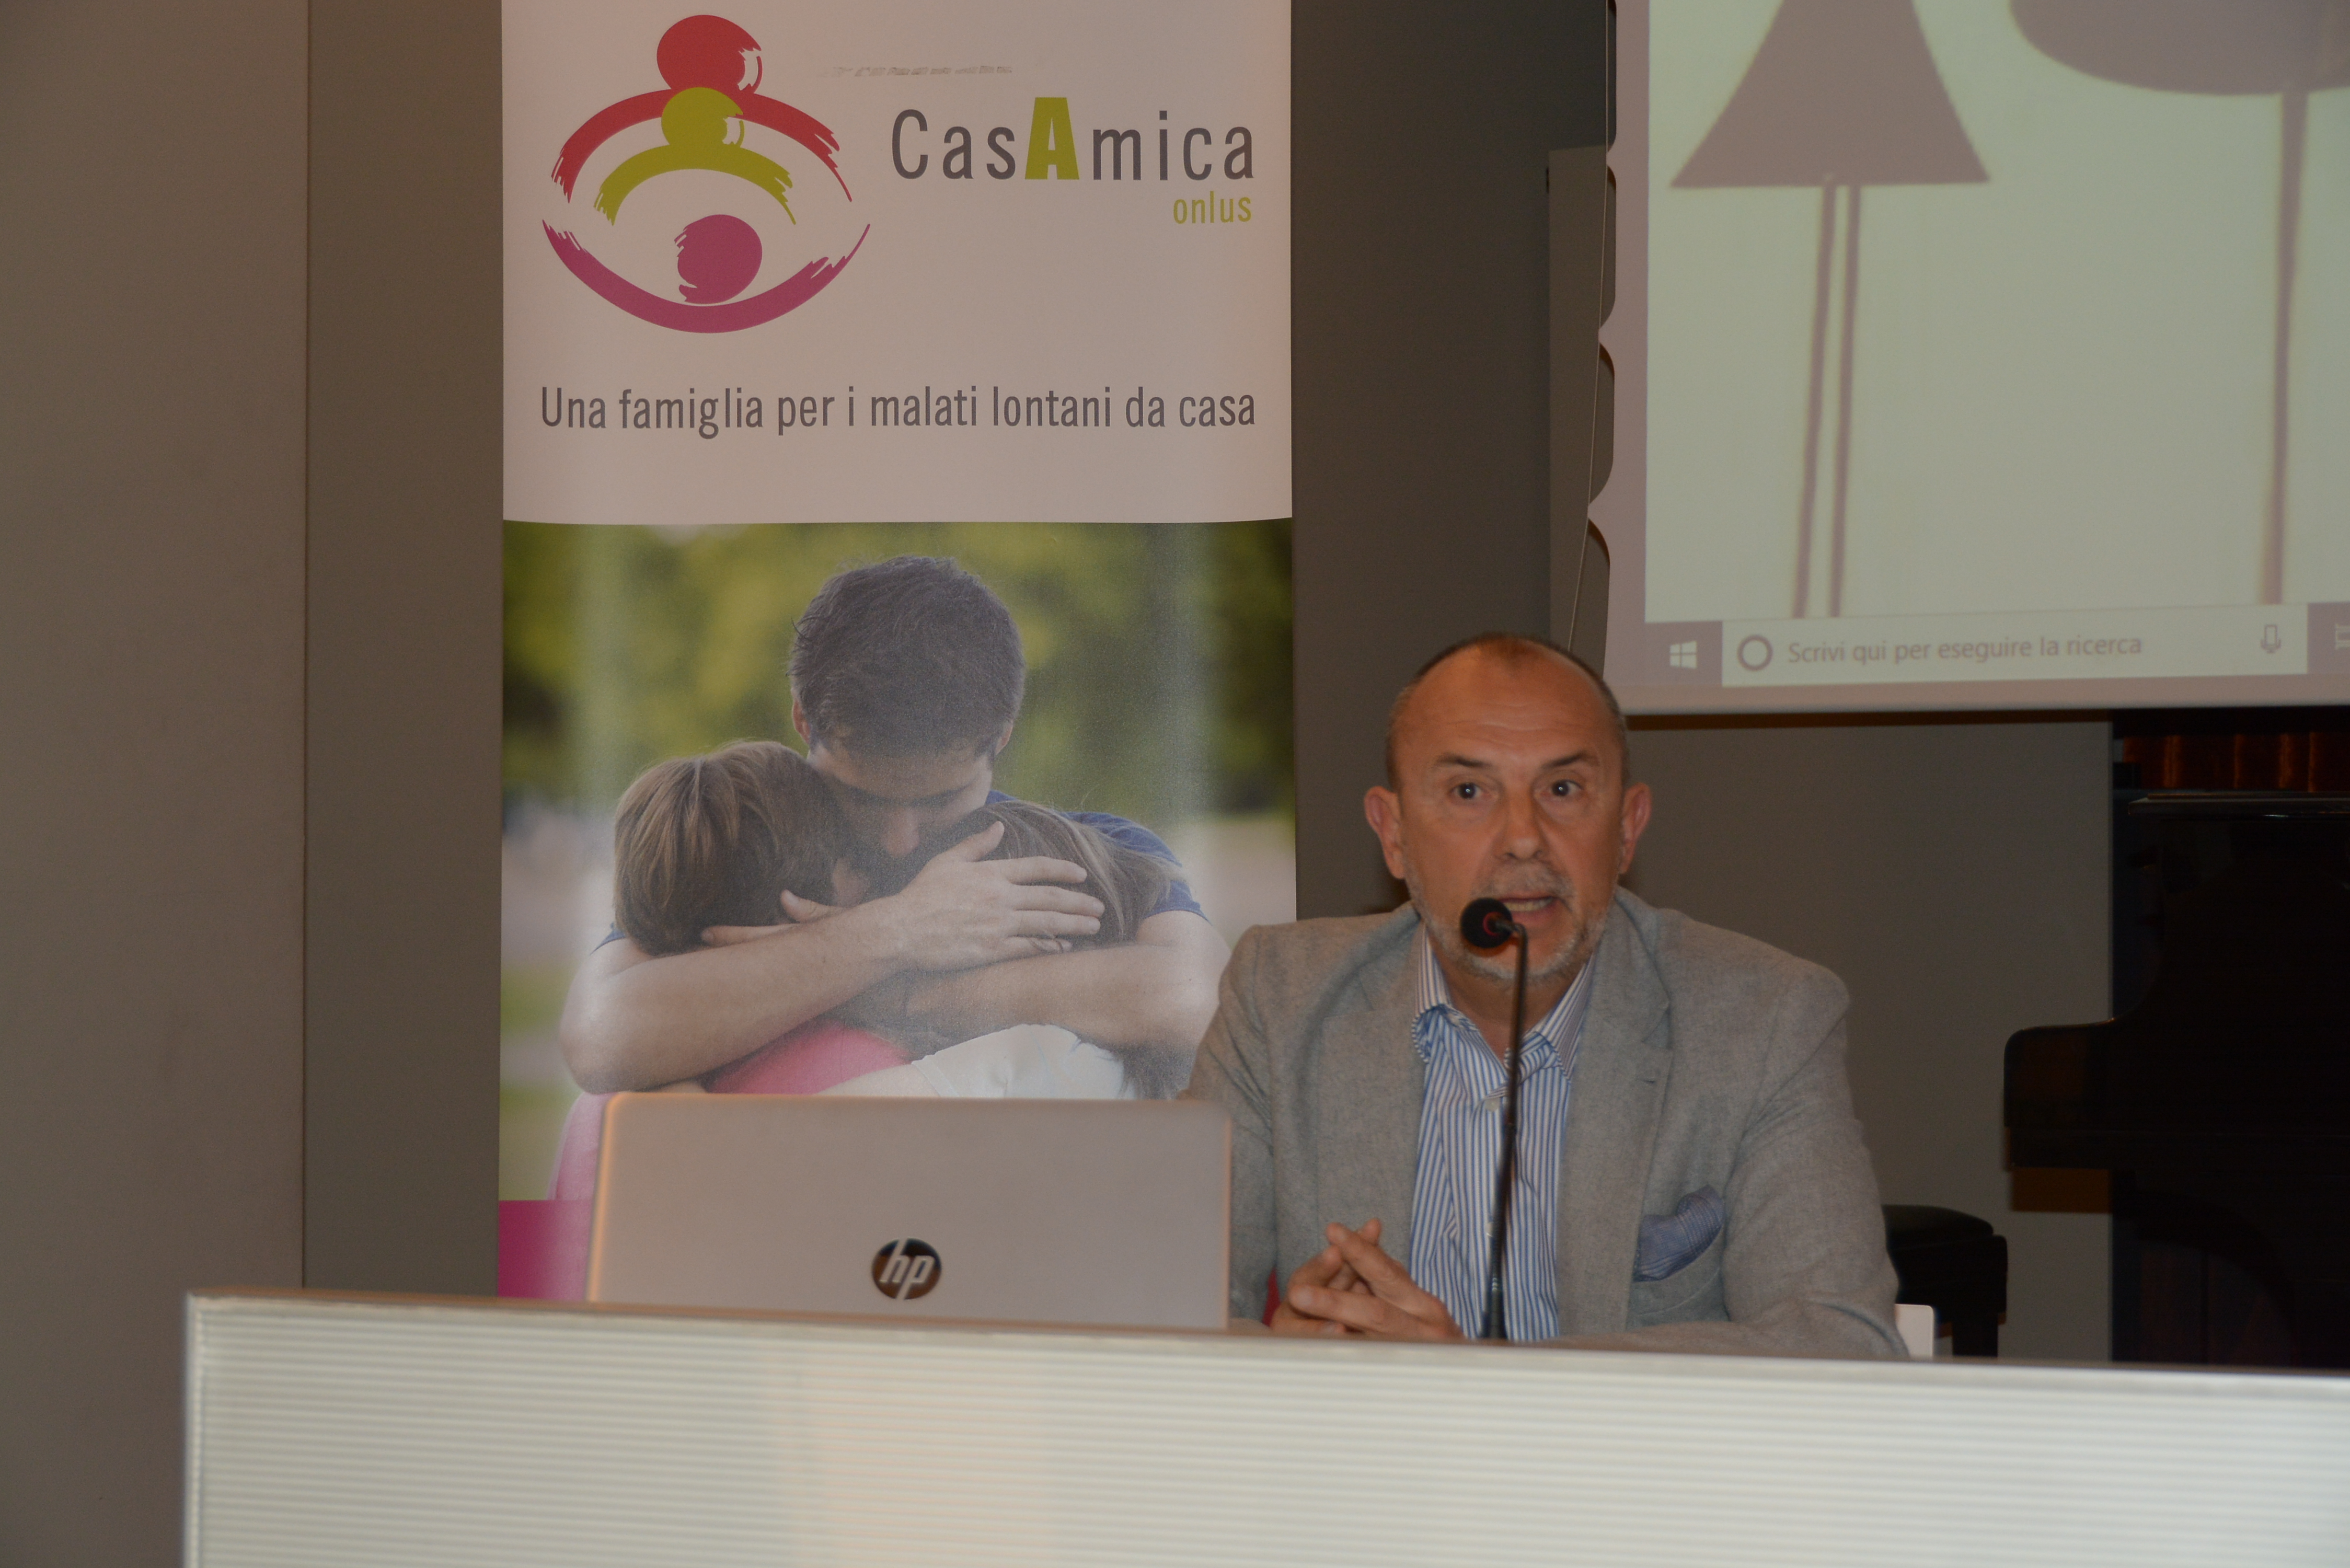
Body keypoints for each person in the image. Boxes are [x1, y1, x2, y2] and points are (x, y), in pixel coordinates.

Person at [1183, 633, 1902, 1356]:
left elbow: (1839, 1341)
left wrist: (1484, 1384)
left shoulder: (1765, 1018)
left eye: (1562, 790)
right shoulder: (1280, 997)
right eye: (1469, 792)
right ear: (1393, 834)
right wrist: (1284, 1365)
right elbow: (1165, 1309)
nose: (1524, 839)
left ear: (1626, 829)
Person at [558, 556, 1229, 1097]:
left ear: (1001, 736)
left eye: (939, 801)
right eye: (865, 800)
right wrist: (899, 930)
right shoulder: (754, 842)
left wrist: (899, 991)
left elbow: (1204, 1002)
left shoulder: (1094, 849)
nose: (899, 839)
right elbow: (600, 1039)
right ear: (803, 721)